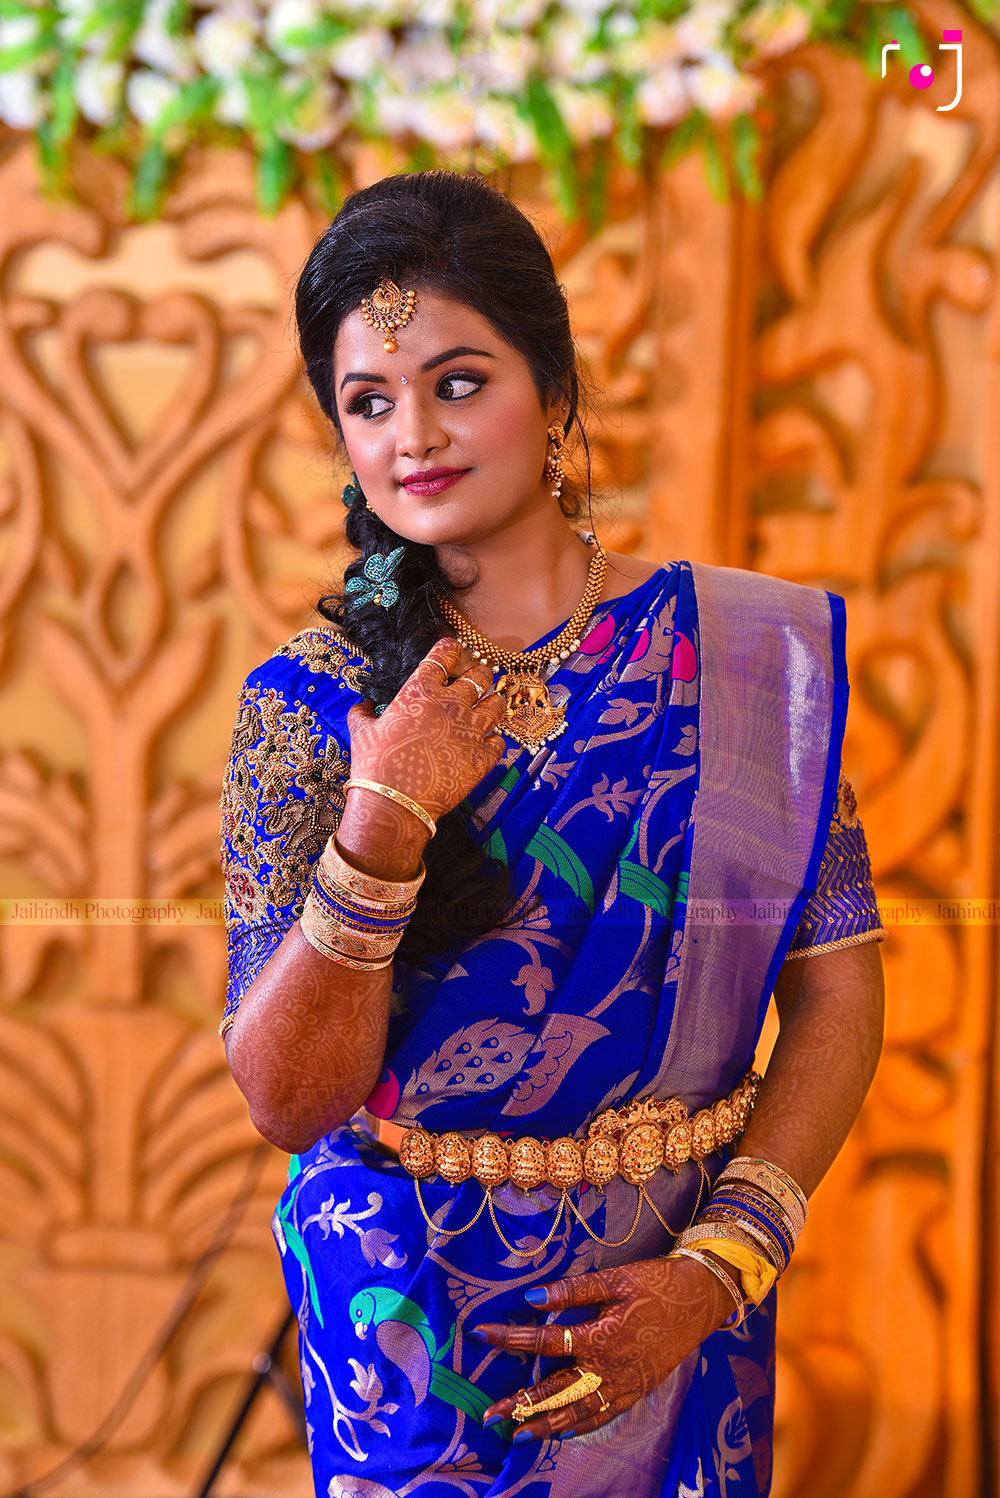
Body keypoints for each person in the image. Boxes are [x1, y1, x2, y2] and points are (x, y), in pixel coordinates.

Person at [219, 169, 886, 1498]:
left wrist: (718, 1270)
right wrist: (387, 811)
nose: (413, 432)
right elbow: (287, 1095)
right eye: (369, 400)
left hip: (674, 1290)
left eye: (458, 381)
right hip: (404, 1321)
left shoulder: (743, 662)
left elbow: (840, 981)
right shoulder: (313, 703)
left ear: (556, 393)